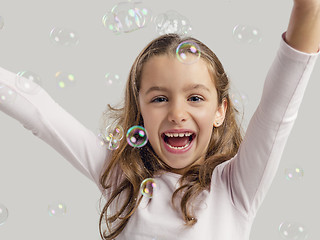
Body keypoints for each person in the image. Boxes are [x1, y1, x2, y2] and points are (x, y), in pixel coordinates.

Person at [1, 0, 320, 239]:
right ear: (139, 112)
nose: (177, 113)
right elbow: (41, 112)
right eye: (159, 98)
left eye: (195, 98)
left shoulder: (235, 188)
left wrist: (307, 9)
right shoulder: (121, 180)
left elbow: (280, 105)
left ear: (220, 111)